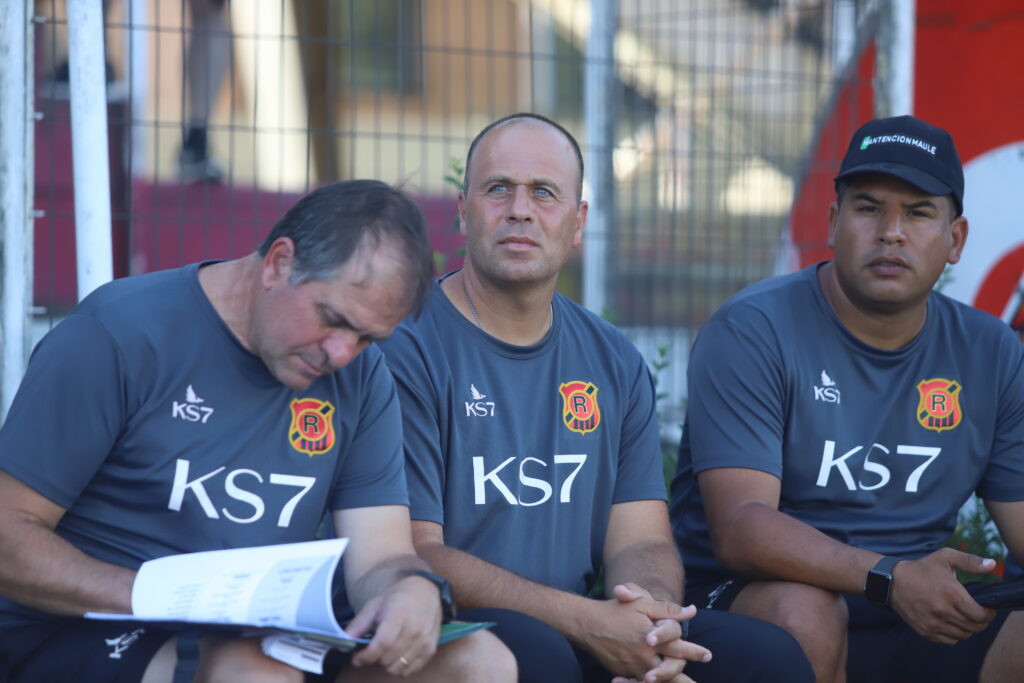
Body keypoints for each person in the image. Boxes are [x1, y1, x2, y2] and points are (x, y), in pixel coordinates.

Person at [0, 180, 516, 682]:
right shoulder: (118, 335)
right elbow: (8, 536)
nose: (340, 354)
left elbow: (378, 558)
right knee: (254, 671)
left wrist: (413, 589)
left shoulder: (361, 376)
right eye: (332, 318)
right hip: (88, 627)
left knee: (480, 663)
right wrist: (167, 599)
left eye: (365, 337)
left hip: (261, 632)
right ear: (278, 263)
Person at [377, 113, 813, 683]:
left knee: (767, 658)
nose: (520, 209)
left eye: (544, 193)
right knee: (540, 655)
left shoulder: (613, 359)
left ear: (578, 221)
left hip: (586, 623)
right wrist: (588, 622)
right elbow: (416, 554)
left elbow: (642, 539)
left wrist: (650, 625)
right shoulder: (403, 348)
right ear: (462, 210)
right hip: (457, 627)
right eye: (498, 188)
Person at [669, 114, 1024, 683]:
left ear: (955, 240)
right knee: (807, 610)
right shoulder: (754, 328)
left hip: (914, 612)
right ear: (833, 222)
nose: (891, 231)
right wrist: (888, 575)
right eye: (868, 207)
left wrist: (904, 583)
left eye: (918, 212)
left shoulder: (992, 351)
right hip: (749, 605)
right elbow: (742, 526)